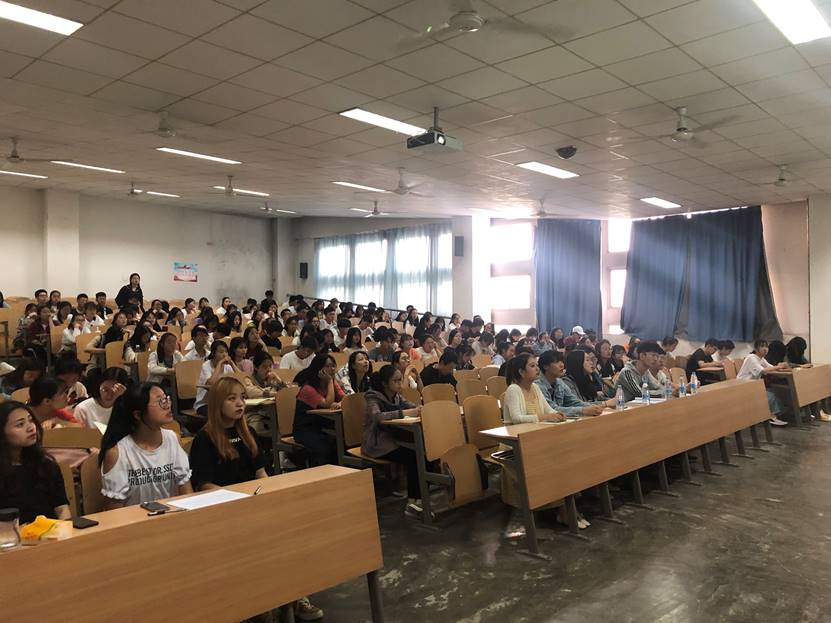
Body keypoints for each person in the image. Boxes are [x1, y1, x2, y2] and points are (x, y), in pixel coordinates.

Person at [99, 383, 192, 508]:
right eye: (160, 401)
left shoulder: (173, 439)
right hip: (134, 519)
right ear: (137, 415)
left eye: (166, 399)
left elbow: (186, 491)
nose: (168, 405)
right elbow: (114, 511)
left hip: (170, 516)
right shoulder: (117, 453)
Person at [363, 365, 423, 515]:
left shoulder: (397, 396)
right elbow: (377, 417)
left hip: (393, 440)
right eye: (395, 381)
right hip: (377, 443)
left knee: (424, 452)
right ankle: (412, 501)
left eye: (400, 380)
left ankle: (420, 498)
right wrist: (404, 413)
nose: (399, 384)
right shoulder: (373, 397)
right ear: (385, 383)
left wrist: (419, 409)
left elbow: (411, 406)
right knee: (413, 457)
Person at [0, 401, 71, 524]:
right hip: (10, 534)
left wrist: (64, 529)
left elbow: (62, 509)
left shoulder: (46, 465)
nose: (30, 428)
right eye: (20, 424)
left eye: (31, 420)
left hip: (50, 531)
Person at [293, 354, 343, 467]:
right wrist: (330, 381)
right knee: (325, 448)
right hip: (306, 430)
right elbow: (327, 404)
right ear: (319, 369)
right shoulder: (308, 389)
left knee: (341, 442)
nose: (332, 369)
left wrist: (339, 404)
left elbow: (345, 398)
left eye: (333, 365)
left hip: (323, 426)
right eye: (328, 366)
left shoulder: (332, 383)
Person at [536, 350, 609, 417]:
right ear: (545, 366)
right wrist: (583, 410)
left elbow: (574, 401)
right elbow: (552, 409)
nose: (562, 365)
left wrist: (593, 407)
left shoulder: (559, 382)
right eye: (556, 362)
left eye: (562, 361)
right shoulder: (538, 385)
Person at [737, 339, 789, 426]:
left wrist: (784, 367)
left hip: (753, 386)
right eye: (762, 346)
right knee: (770, 395)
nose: (765, 349)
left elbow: (771, 368)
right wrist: (779, 366)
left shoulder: (761, 359)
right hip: (743, 386)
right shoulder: (751, 358)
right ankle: (770, 417)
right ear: (756, 348)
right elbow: (763, 371)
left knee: (772, 392)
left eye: (766, 347)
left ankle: (771, 416)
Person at [502, 353, 565, 424]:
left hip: (536, 428)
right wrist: (544, 417)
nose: (537, 369)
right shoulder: (513, 389)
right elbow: (516, 419)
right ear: (521, 372)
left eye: (537, 365)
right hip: (517, 430)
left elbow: (548, 410)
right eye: (532, 366)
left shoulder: (535, 387)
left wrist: (557, 414)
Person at [195, 341, 238, 416]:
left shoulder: (227, 366)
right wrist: (220, 364)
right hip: (205, 404)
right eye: (221, 352)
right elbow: (210, 384)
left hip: (223, 402)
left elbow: (242, 379)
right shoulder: (206, 366)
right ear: (213, 353)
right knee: (224, 413)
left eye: (226, 352)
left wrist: (232, 364)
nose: (224, 354)